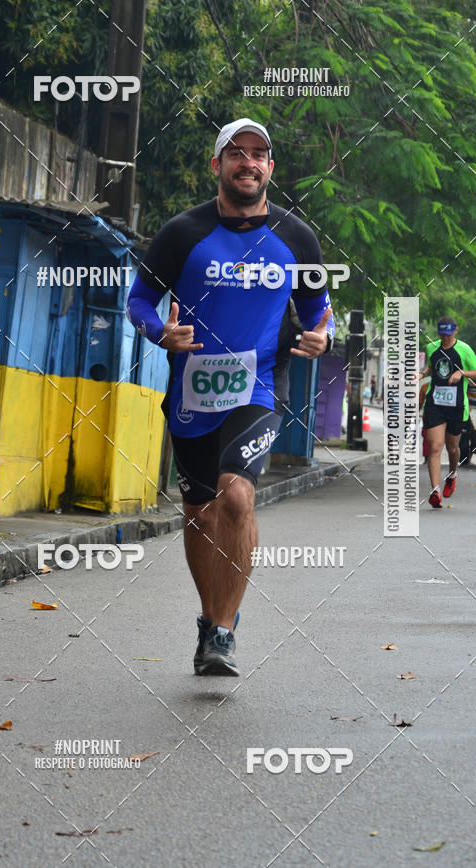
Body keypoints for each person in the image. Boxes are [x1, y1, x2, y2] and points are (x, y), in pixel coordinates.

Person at [127, 118, 334, 676]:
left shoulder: (297, 238)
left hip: (259, 384)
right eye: (236, 153)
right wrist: (160, 333)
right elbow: (139, 301)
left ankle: (223, 631)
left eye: (258, 154)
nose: (248, 162)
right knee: (199, 513)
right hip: (192, 390)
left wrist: (323, 336)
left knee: (236, 497)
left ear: (270, 168)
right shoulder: (183, 233)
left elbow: (319, 311)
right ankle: (209, 620)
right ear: (217, 165)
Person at [419, 317, 476, 508]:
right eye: (442, 335)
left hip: (456, 406)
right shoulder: (432, 348)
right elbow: (432, 367)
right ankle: (435, 491)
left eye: (448, 334)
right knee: (434, 447)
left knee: (452, 448)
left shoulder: (464, 349)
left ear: (455, 331)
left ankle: (452, 474)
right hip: (435, 404)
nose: (445, 338)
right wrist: (421, 374)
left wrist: (461, 373)